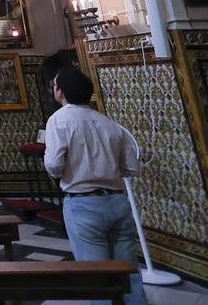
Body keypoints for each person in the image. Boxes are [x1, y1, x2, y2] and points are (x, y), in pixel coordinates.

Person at [43, 66, 145, 305]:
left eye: (55, 85)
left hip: (83, 203)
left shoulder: (59, 120)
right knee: (128, 273)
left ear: (62, 91)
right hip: (118, 201)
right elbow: (132, 167)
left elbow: (54, 166)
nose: (54, 90)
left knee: (95, 275)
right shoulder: (109, 123)